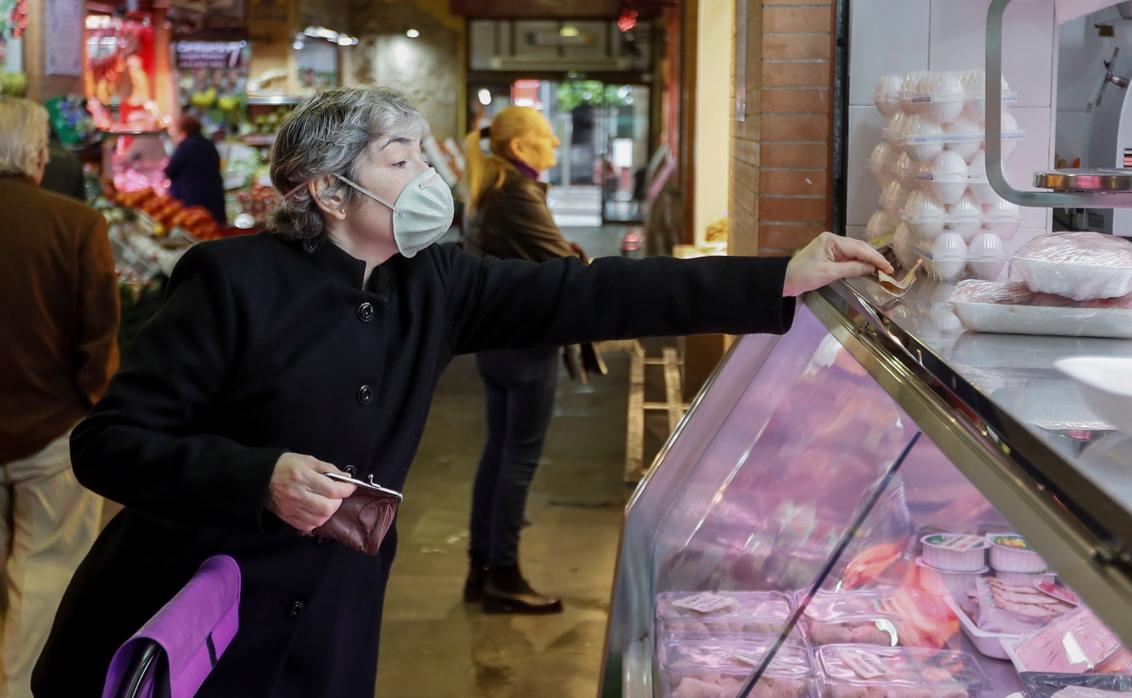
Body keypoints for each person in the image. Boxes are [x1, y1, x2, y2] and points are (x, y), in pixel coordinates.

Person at [32, 87, 890, 697]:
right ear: (329, 191)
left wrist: (778, 274)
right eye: (398, 159)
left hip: (333, 613)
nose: (428, 179)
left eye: (425, 155)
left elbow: (589, 293)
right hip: (198, 607)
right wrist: (259, 478)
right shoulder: (230, 281)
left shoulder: (432, 279)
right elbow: (108, 444)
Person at [0, 97, 118, 698]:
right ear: (38, 156)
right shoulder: (76, 225)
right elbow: (99, 332)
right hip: (53, 429)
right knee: (46, 571)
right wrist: (95, 406)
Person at [460, 106, 586, 614]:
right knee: (519, 459)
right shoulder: (516, 192)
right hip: (525, 343)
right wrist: (579, 257)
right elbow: (566, 265)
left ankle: (481, 567)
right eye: (545, 135)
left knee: (499, 453)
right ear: (519, 148)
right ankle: (505, 576)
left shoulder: (498, 189)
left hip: (497, 341)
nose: (555, 142)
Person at [165, 114, 227, 224]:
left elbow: (170, 170)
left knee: (197, 228)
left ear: (183, 130)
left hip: (192, 198)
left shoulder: (185, 146)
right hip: (213, 195)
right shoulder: (209, 144)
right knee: (213, 229)